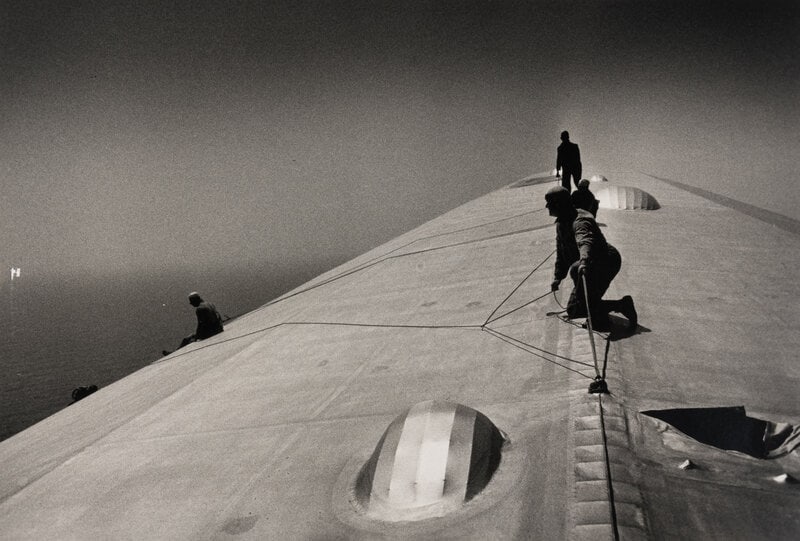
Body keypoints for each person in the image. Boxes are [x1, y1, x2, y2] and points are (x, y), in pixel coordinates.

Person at [545, 186, 637, 332]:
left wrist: (584, 261)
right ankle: (610, 309)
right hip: (590, 264)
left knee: (582, 302)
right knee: (574, 310)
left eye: (549, 204)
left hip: (605, 262)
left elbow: (585, 241)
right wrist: (558, 277)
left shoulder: (580, 221)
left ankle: (616, 309)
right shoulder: (562, 223)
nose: (547, 207)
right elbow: (561, 253)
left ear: (559, 204)